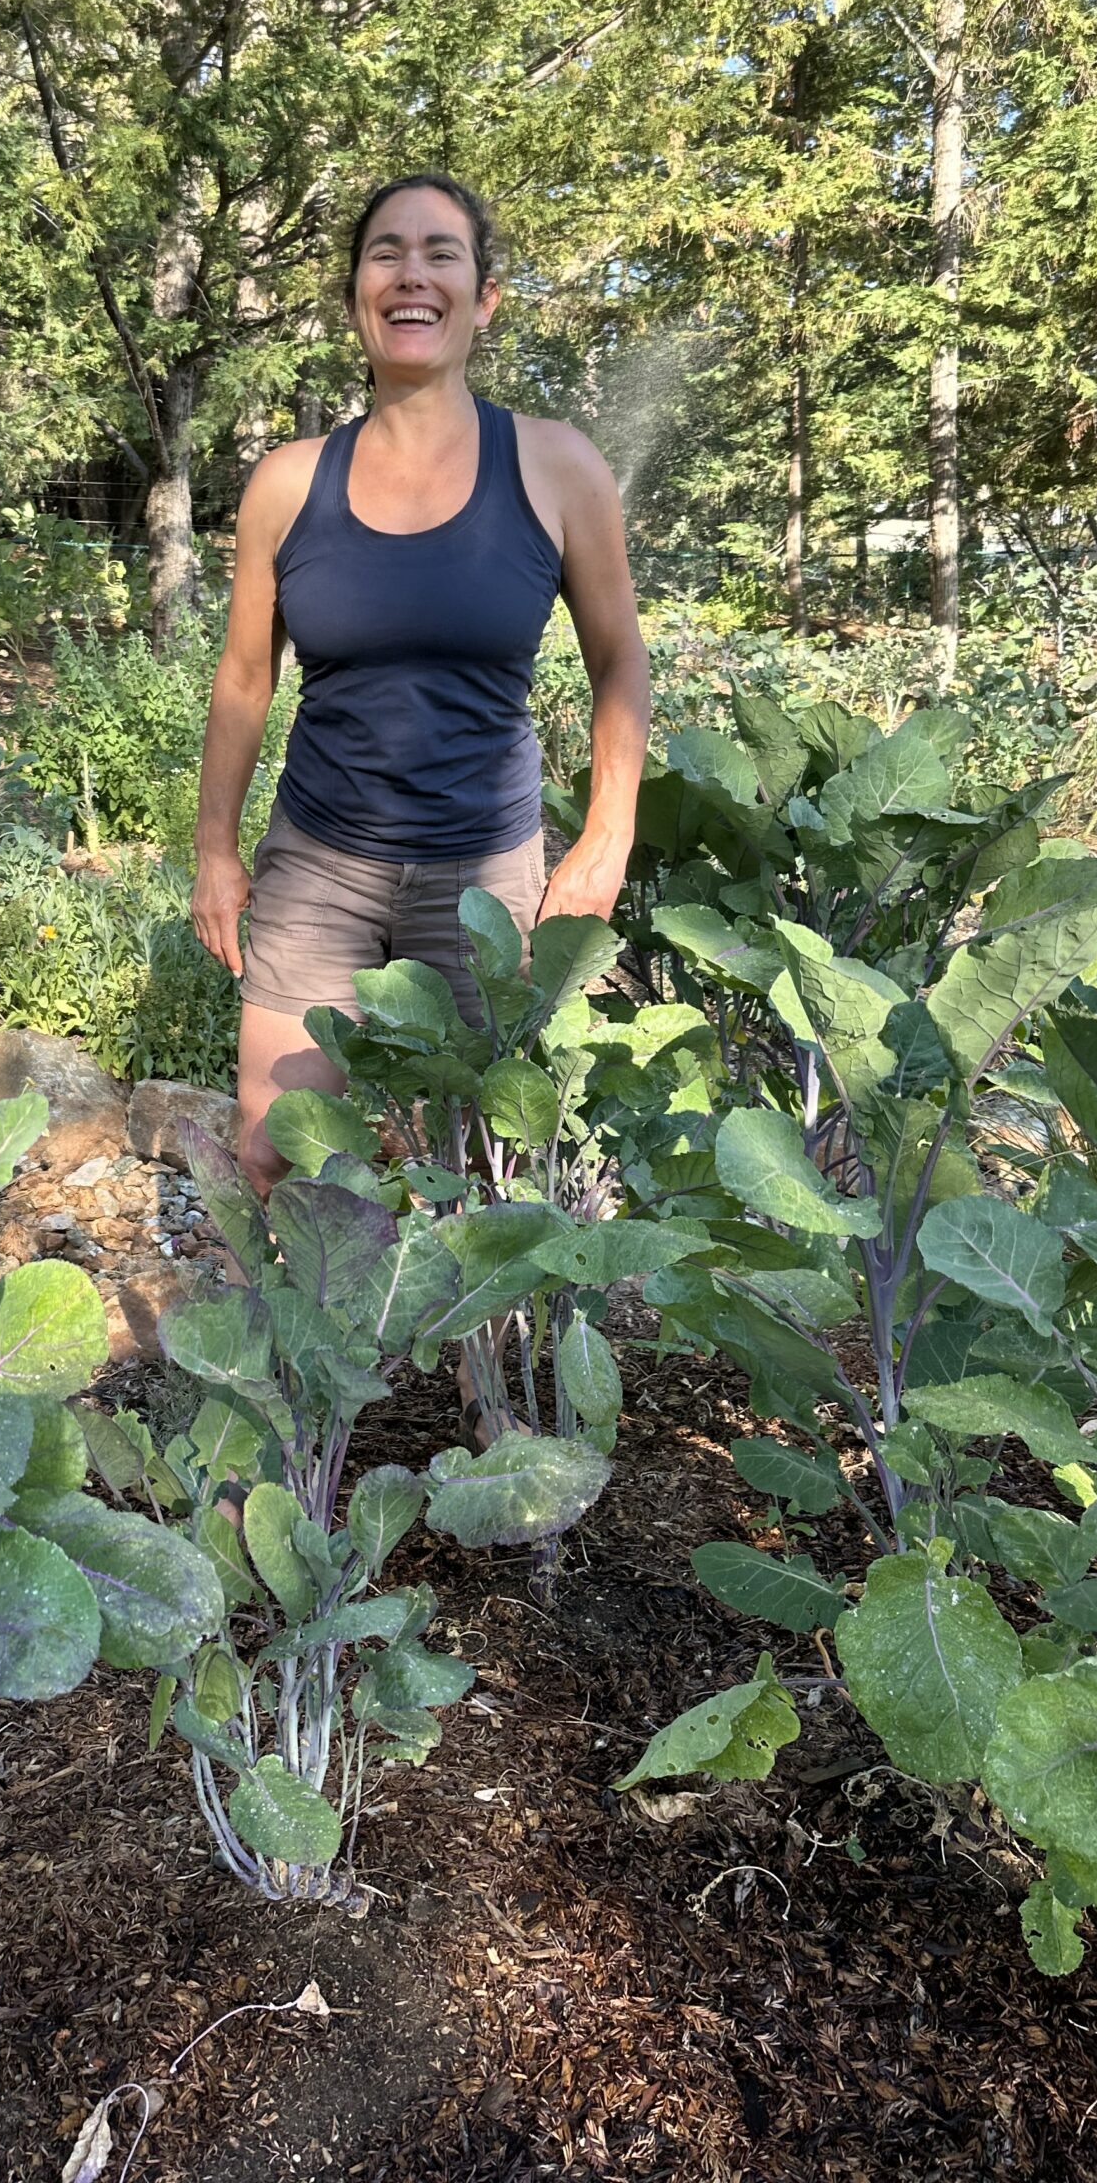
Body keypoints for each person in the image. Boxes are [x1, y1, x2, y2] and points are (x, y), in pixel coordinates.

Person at [188, 171, 650, 1436]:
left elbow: (620, 661)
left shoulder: (554, 467)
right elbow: (242, 680)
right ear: (355, 300)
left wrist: (606, 832)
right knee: (279, 1144)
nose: (411, 274)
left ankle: (485, 1422)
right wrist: (215, 850)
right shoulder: (289, 484)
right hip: (319, 864)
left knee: (470, 1160)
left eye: (440, 255)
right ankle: (292, 1418)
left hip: (485, 878)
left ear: (483, 298)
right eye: (385, 254)